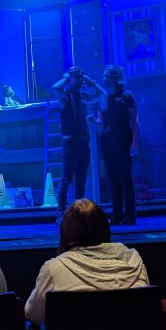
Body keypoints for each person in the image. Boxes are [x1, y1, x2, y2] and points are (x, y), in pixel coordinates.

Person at [25, 199, 149, 325]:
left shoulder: (54, 269)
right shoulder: (135, 262)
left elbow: (33, 314)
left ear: (65, 233)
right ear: (105, 228)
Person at [52, 65, 104, 221]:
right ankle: (61, 213)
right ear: (70, 79)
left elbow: (102, 94)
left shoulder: (83, 97)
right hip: (70, 144)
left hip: (83, 144)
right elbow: (55, 87)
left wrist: (91, 82)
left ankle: (78, 214)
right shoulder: (66, 97)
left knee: (81, 181)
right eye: (77, 77)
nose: (81, 80)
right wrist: (67, 77)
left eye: (82, 77)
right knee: (66, 179)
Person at [96, 64, 139, 225]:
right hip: (107, 138)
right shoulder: (103, 97)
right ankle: (116, 215)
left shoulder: (127, 95)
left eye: (108, 75)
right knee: (112, 177)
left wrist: (135, 141)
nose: (104, 77)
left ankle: (130, 214)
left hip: (122, 136)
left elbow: (134, 120)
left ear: (116, 77)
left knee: (124, 176)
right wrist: (95, 121)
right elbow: (101, 120)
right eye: (104, 75)